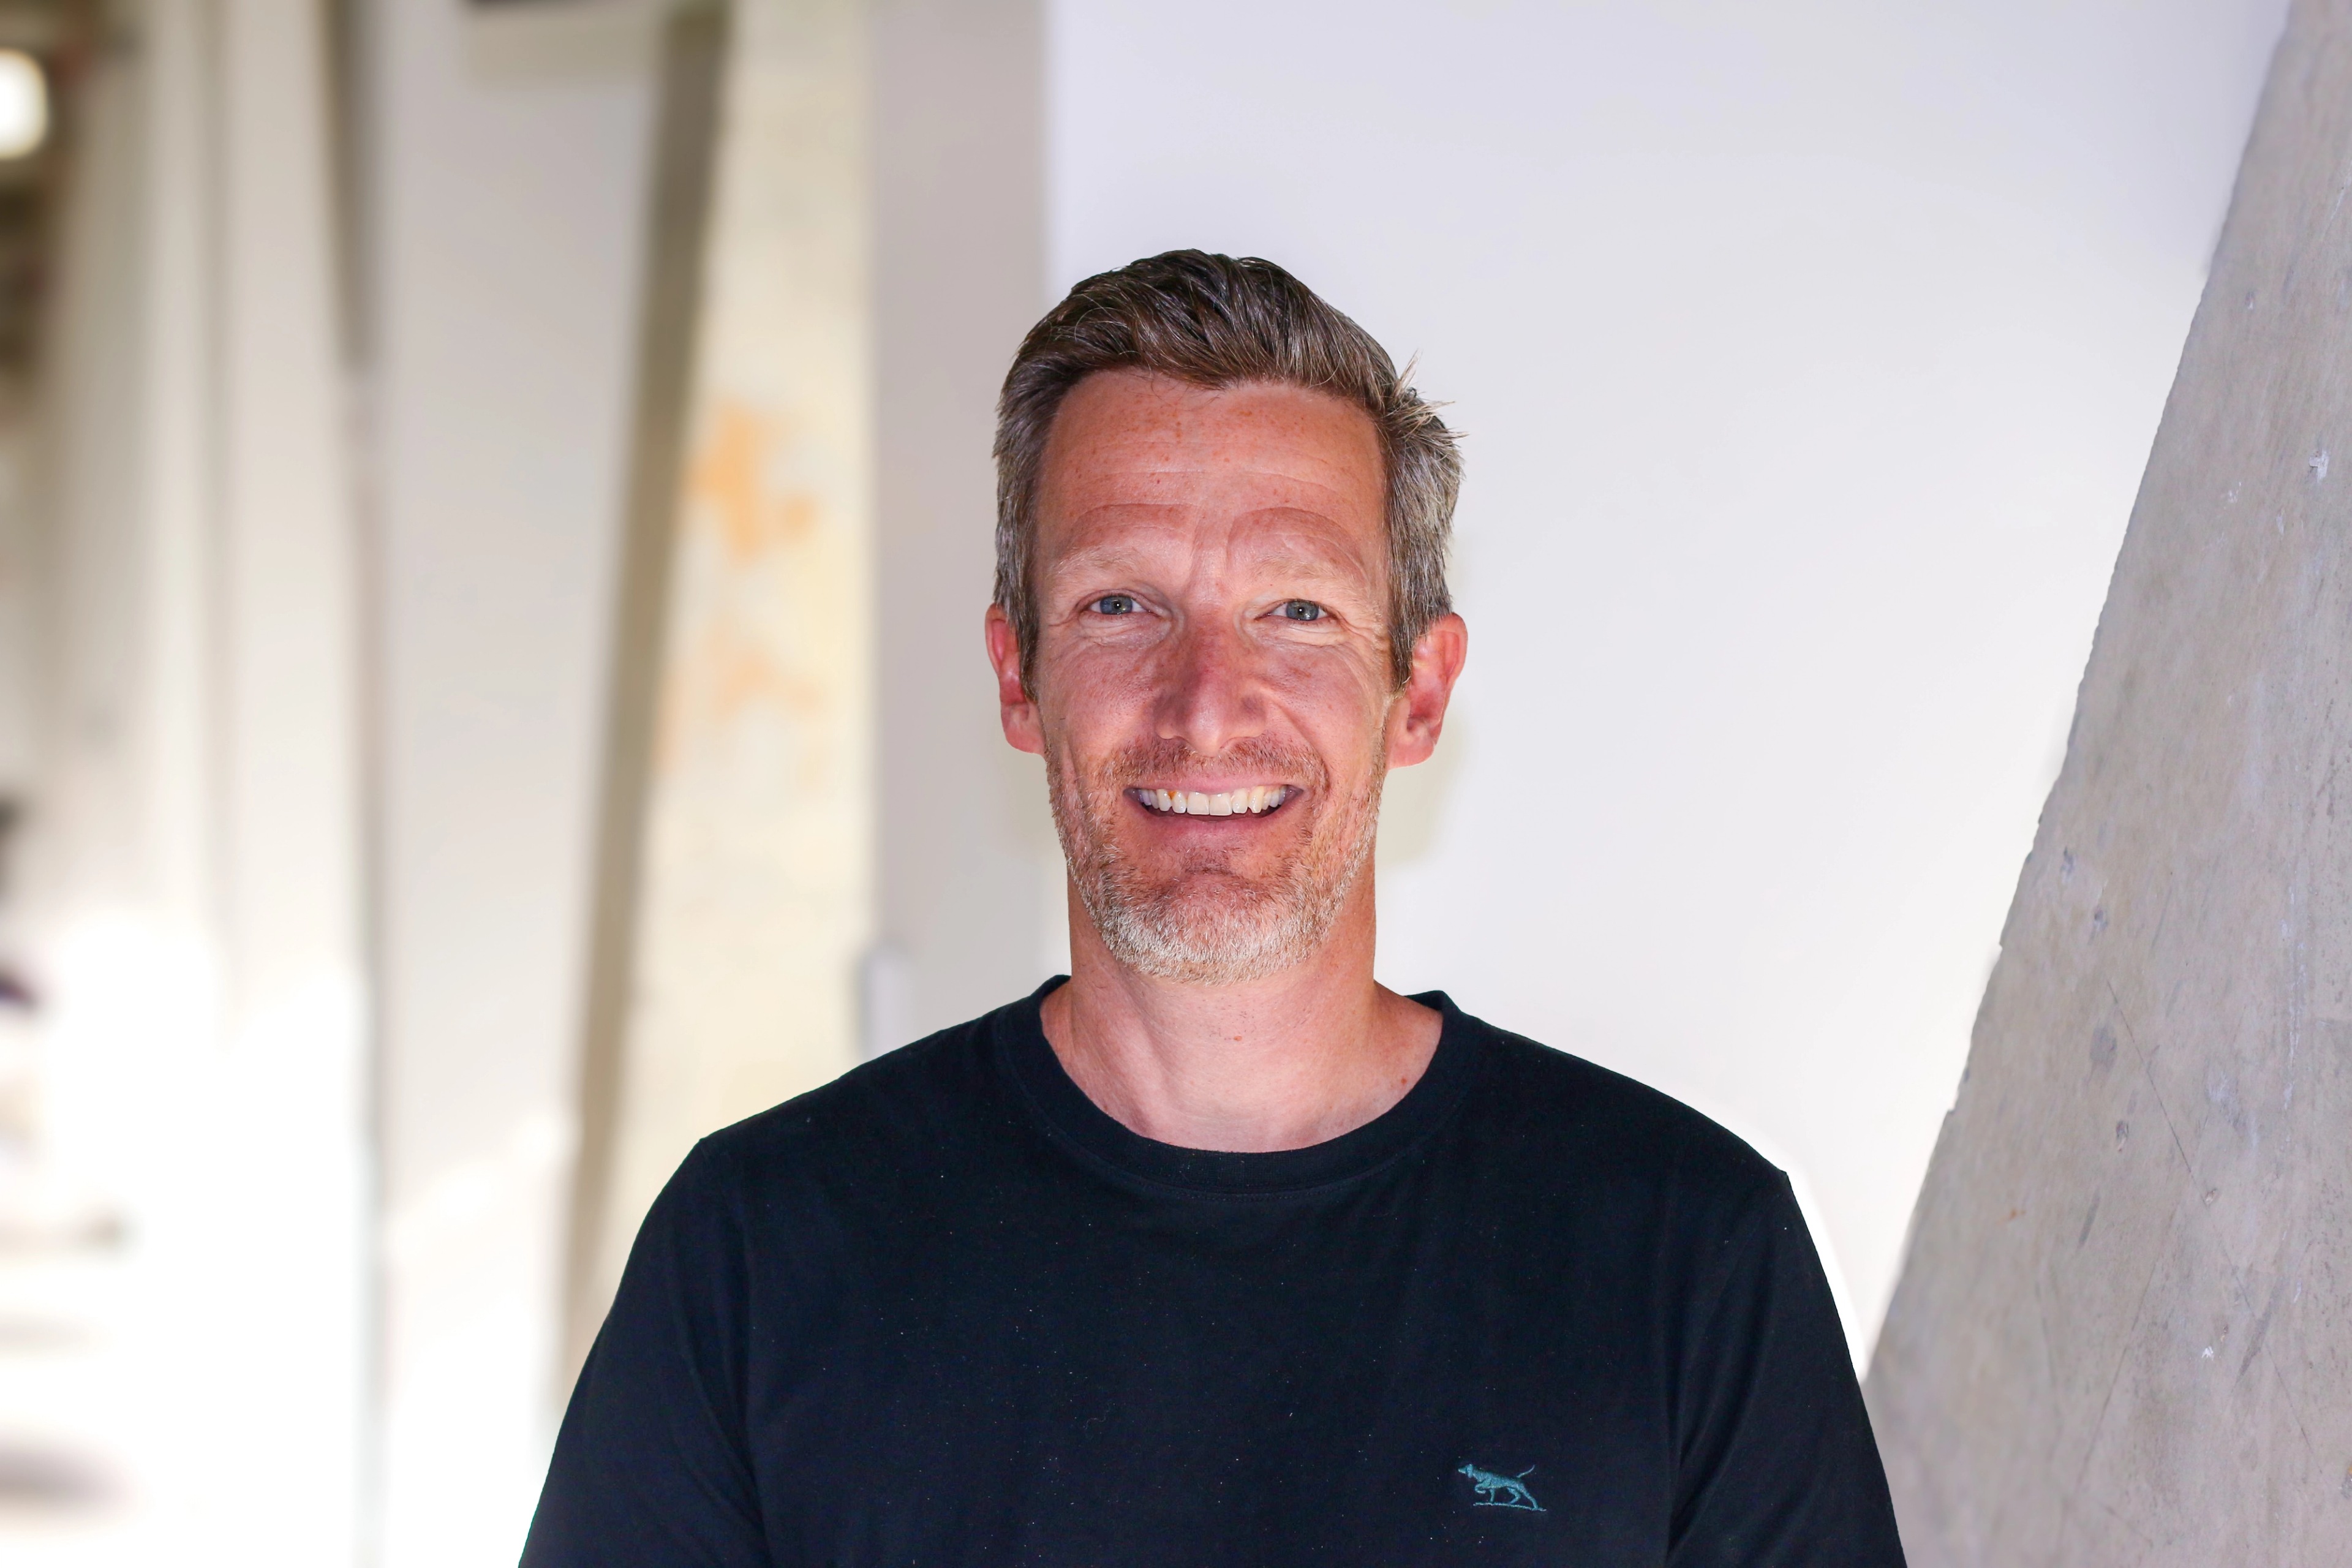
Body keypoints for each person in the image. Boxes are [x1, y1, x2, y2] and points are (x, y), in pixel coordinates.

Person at [522, 251, 1906, 1565]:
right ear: (1019, 677)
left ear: (1417, 690)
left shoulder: (1684, 1260)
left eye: (1296, 610)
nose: (1206, 707)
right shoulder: (762, 1255)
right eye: (1121, 603)